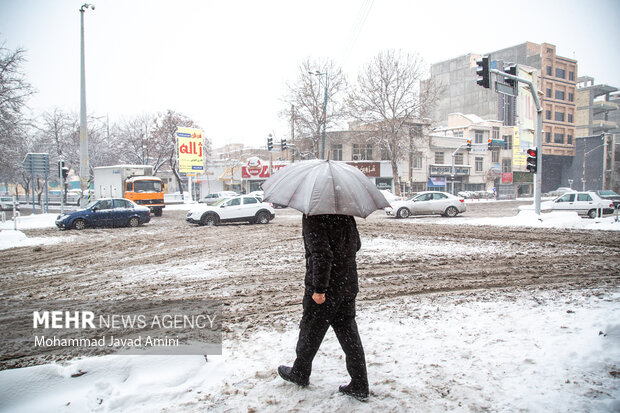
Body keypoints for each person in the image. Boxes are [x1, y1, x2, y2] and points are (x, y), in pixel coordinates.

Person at [278, 214, 369, 401]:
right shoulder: (346, 213)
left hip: (326, 288)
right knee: (349, 334)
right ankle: (360, 383)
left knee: (310, 330)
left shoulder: (313, 216)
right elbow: (356, 244)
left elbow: (322, 254)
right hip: (347, 283)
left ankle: (300, 372)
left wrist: (319, 289)